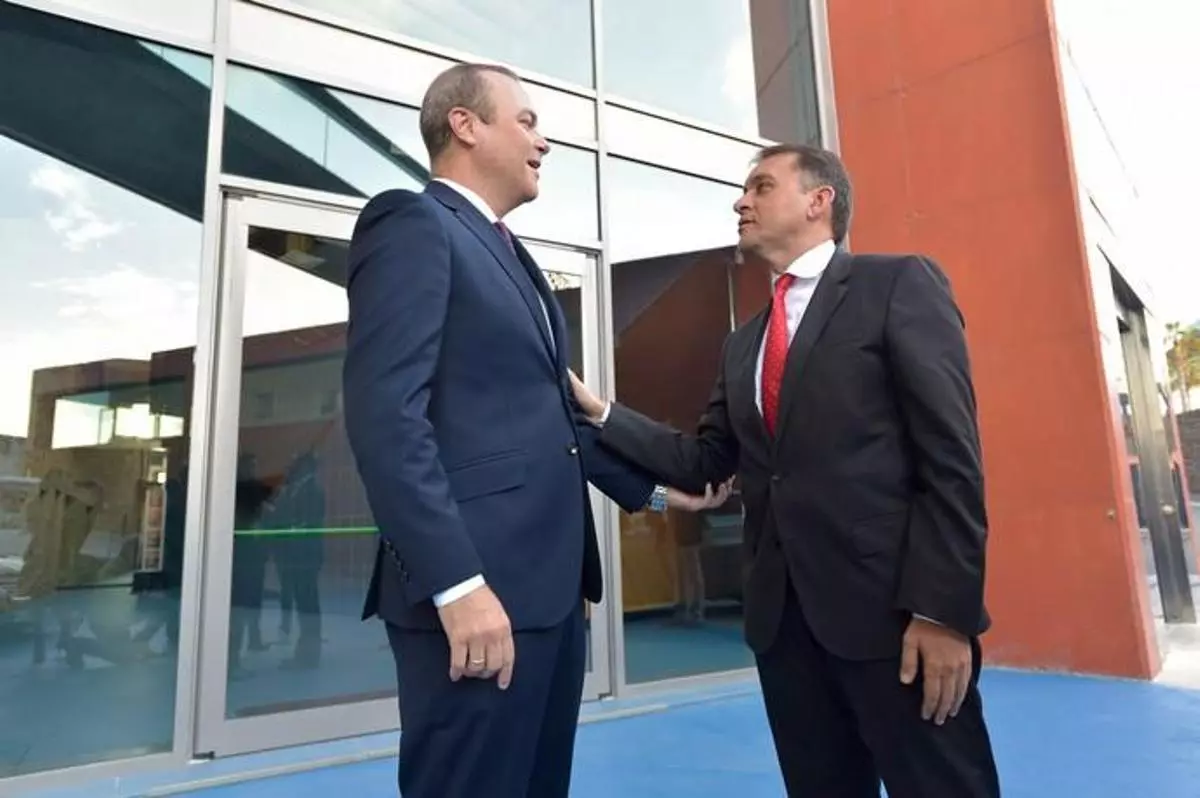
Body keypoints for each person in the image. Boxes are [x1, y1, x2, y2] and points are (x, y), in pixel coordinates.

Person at [341, 62, 728, 798]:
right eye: (527, 122)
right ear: (465, 125)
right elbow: (386, 416)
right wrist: (457, 584)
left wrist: (656, 495)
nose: (543, 142)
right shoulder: (412, 223)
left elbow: (555, 430)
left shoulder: (511, 254)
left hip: (547, 596)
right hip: (477, 596)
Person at [570, 143, 1002, 797]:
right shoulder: (744, 342)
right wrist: (603, 413)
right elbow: (704, 463)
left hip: (895, 622)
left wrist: (944, 614)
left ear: (818, 201)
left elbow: (951, 460)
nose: (741, 202)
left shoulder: (896, 286)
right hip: (785, 632)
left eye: (762, 187)